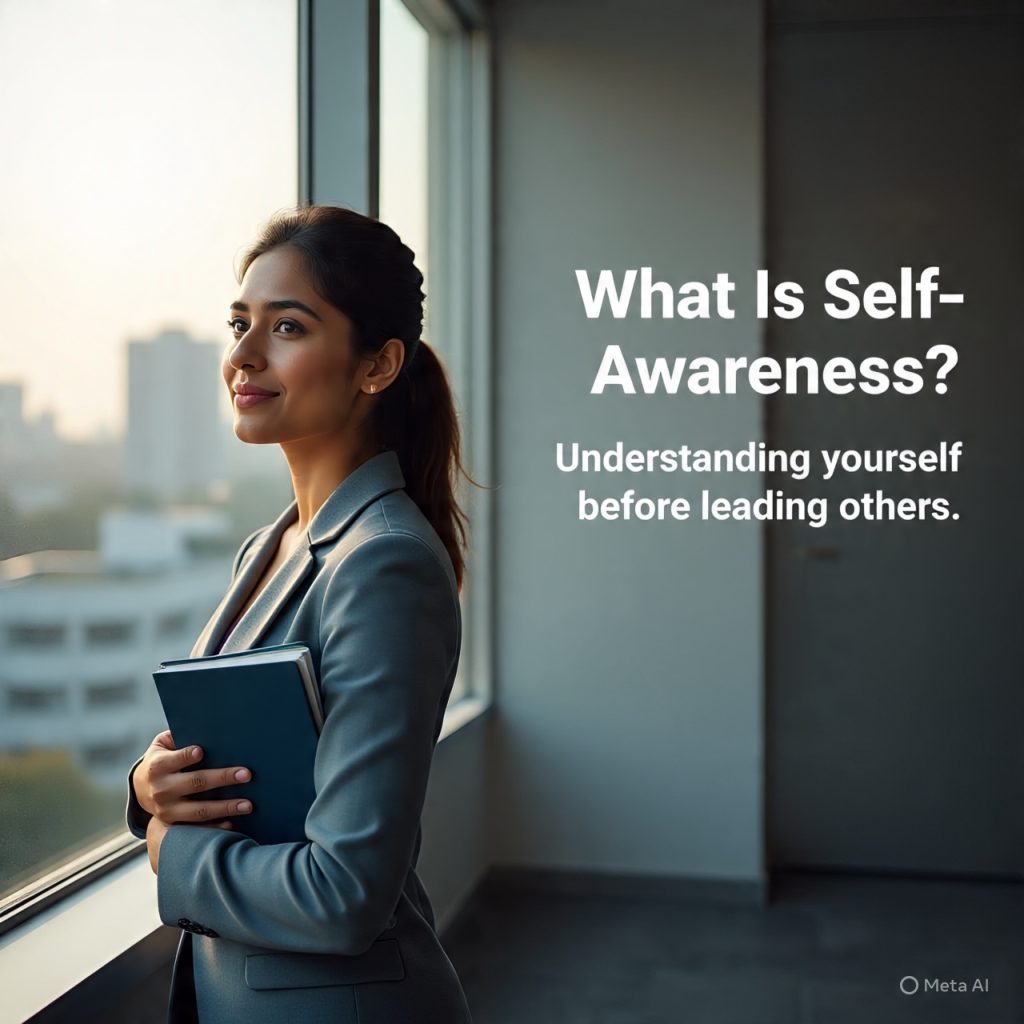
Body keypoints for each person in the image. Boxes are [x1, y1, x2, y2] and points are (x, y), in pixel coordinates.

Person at [124, 204, 478, 1023]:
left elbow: (346, 893)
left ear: (377, 365)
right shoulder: (271, 547)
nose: (243, 356)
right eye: (239, 322)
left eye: (287, 327)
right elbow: (243, 763)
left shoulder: (383, 563)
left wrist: (175, 852)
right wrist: (152, 788)